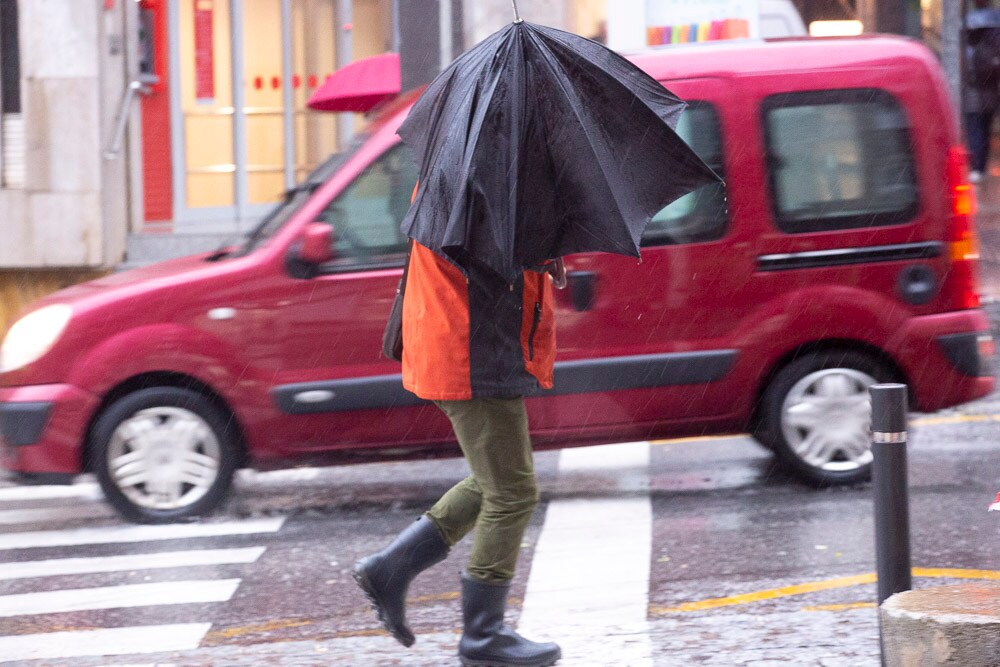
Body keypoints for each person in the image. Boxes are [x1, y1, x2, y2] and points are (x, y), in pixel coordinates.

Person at [353, 239, 562, 667]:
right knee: (513, 491)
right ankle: (483, 636)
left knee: (498, 479)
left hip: (465, 343)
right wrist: (537, 250)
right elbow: (486, 259)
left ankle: (390, 568)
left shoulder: (463, 177)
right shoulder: (476, 176)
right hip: (470, 350)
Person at [966, 0, 1000, 183]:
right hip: (990, 94)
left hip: (972, 96)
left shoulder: (969, 45)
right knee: (984, 130)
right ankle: (981, 166)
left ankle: (977, 167)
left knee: (975, 130)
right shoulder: (992, 40)